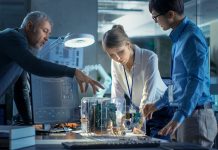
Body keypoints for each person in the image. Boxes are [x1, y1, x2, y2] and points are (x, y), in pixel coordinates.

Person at [0, 11, 103, 124]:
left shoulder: (21, 52)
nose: (47, 38)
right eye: (45, 31)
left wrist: (29, 123)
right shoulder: (13, 37)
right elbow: (35, 65)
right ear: (29, 26)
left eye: (49, 34)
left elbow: (21, 89)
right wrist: (73, 72)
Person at [143, 0, 217, 147]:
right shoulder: (179, 38)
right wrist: (157, 105)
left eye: (155, 17)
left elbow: (196, 80)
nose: (156, 21)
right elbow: (177, 84)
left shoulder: (191, 37)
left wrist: (180, 115)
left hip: (196, 117)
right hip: (185, 115)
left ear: (170, 14)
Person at [102, 25, 173, 140]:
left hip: (159, 109)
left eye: (120, 52)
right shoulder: (115, 63)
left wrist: (138, 122)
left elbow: (147, 96)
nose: (117, 58)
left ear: (128, 45)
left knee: (157, 145)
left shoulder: (149, 57)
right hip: (138, 110)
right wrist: (116, 120)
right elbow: (117, 96)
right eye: (111, 55)